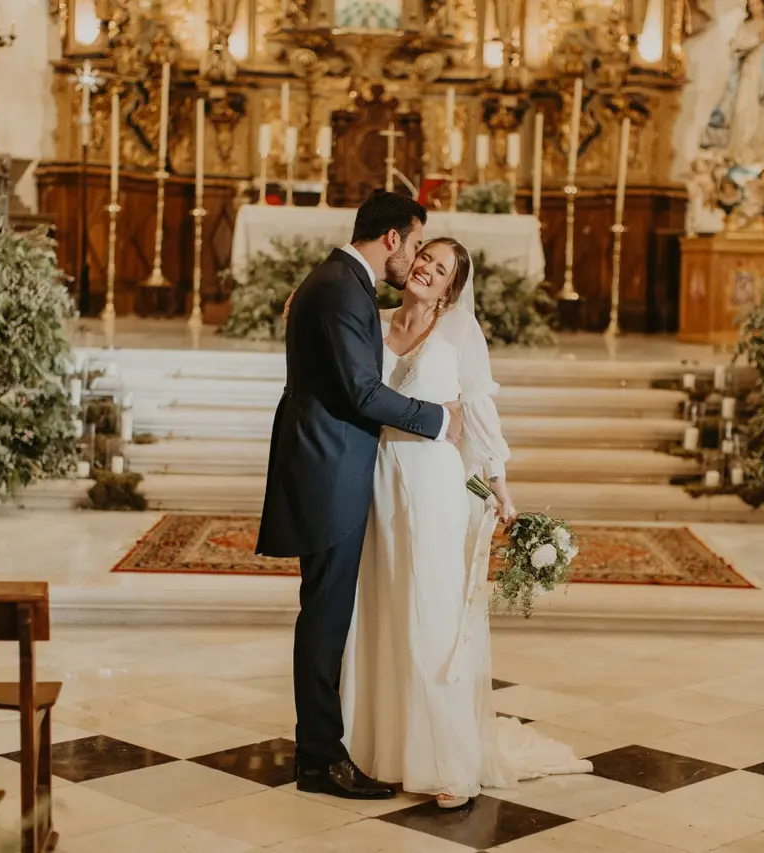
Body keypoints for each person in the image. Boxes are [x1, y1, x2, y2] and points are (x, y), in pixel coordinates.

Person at [341, 237, 592, 809]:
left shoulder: (458, 333)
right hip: (376, 478)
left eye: (442, 269)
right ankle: (381, 750)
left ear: (453, 289)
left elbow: (478, 412)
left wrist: (502, 488)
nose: (427, 269)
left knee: (431, 617)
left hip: (434, 487)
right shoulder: (373, 322)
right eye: (424, 258)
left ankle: (445, 761)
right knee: (382, 612)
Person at [256, 190, 465, 800]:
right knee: (324, 618)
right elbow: (362, 394)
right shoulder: (344, 287)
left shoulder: (335, 282)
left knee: (329, 615)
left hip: (335, 463)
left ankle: (323, 747)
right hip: (330, 470)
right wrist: (436, 419)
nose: (416, 259)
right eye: (415, 243)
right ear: (393, 239)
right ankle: (320, 758)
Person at [699, 0, 764, 166]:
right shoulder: (745, 27)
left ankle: (760, 157)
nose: (755, 7)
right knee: (743, 112)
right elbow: (736, 47)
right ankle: (740, 156)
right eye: (751, 5)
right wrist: (757, 40)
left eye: (757, 4)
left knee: (763, 117)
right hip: (748, 76)